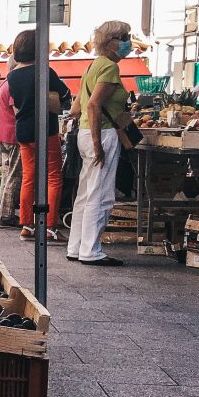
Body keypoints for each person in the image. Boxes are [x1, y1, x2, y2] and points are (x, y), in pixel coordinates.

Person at [67, 20, 134, 266]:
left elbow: (77, 107)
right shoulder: (109, 68)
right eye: (125, 37)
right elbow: (94, 104)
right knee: (101, 194)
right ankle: (91, 251)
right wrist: (98, 144)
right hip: (101, 134)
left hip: (86, 131)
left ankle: (76, 247)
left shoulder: (92, 66)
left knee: (85, 194)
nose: (128, 42)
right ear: (112, 42)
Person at [7, 29, 67, 242]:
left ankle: (26, 225)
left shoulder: (12, 76)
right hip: (45, 129)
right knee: (53, 177)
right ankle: (50, 226)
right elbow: (65, 94)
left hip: (23, 130)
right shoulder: (45, 72)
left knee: (29, 177)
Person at [0, 59, 22, 228]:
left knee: (7, 173)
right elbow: (17, 111)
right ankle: (7, 216)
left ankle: (3, 212)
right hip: (13, 134)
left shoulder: (4, 83)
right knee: (14, 174)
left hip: (1, 134)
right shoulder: (14, 83)